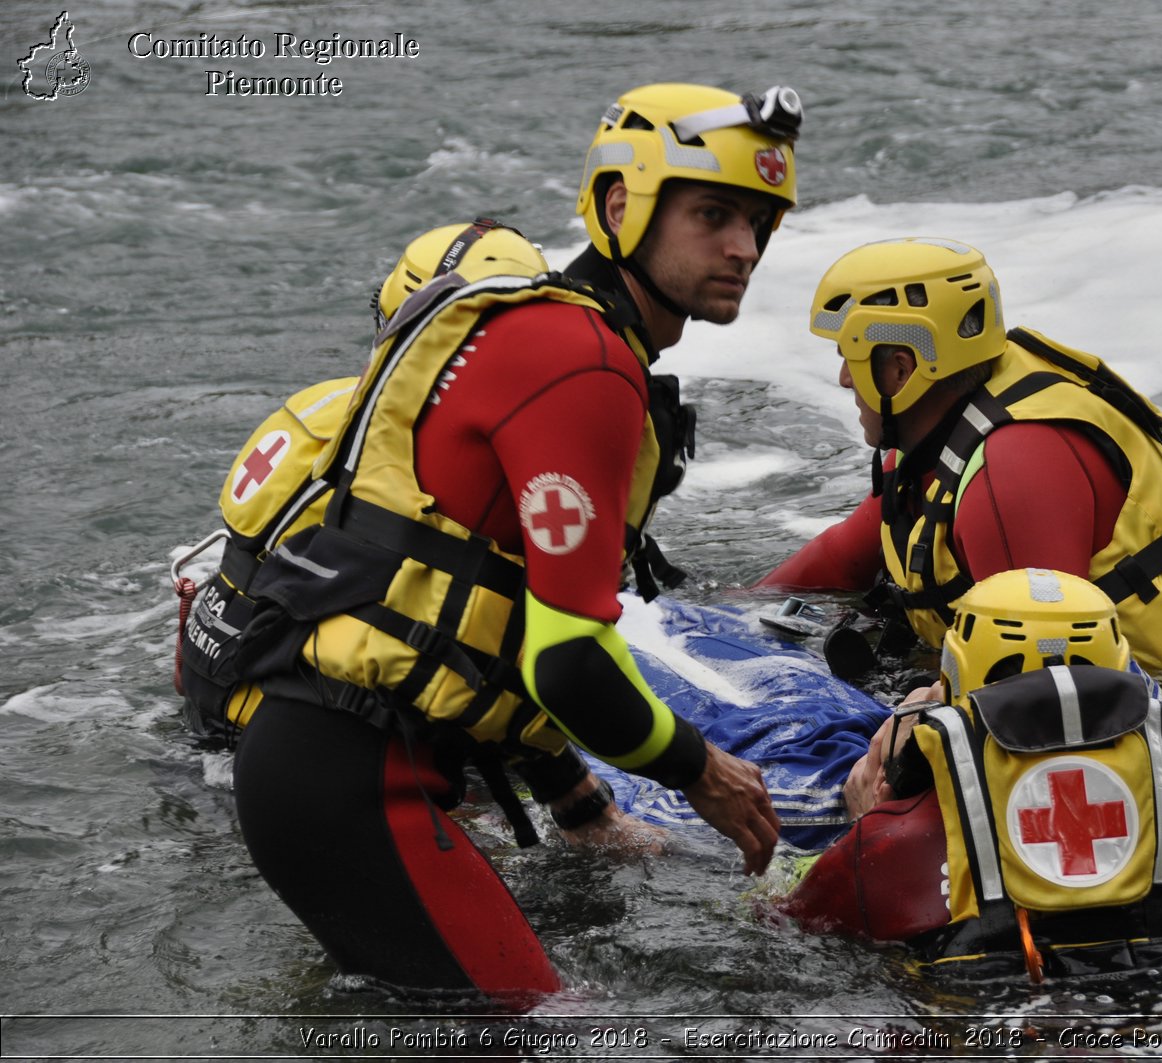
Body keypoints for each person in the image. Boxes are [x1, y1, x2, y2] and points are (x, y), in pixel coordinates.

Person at [189, 83, 805, 1008]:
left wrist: (581, 805)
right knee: (557, 1029)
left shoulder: (556, 337)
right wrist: (700, 770)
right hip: (351, 783)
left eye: (760, 223)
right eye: (712, 214)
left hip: (326, 764)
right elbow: (566, 664)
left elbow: (495, 620)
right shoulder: (585, 362)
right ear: (615, 207)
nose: (743, 249)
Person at [758, 237, 1162, 675]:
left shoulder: (1011, 473)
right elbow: (840, 558)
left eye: (848, 357)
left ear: (901, 369)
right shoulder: (940, 426)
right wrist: (718, 621)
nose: (843, 378)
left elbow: (1043, 687)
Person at [778, 568, 1162, 980]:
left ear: (955, 673)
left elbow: (781, 915)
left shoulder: (894, 842)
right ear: (1118, 669)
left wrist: (865, 822)